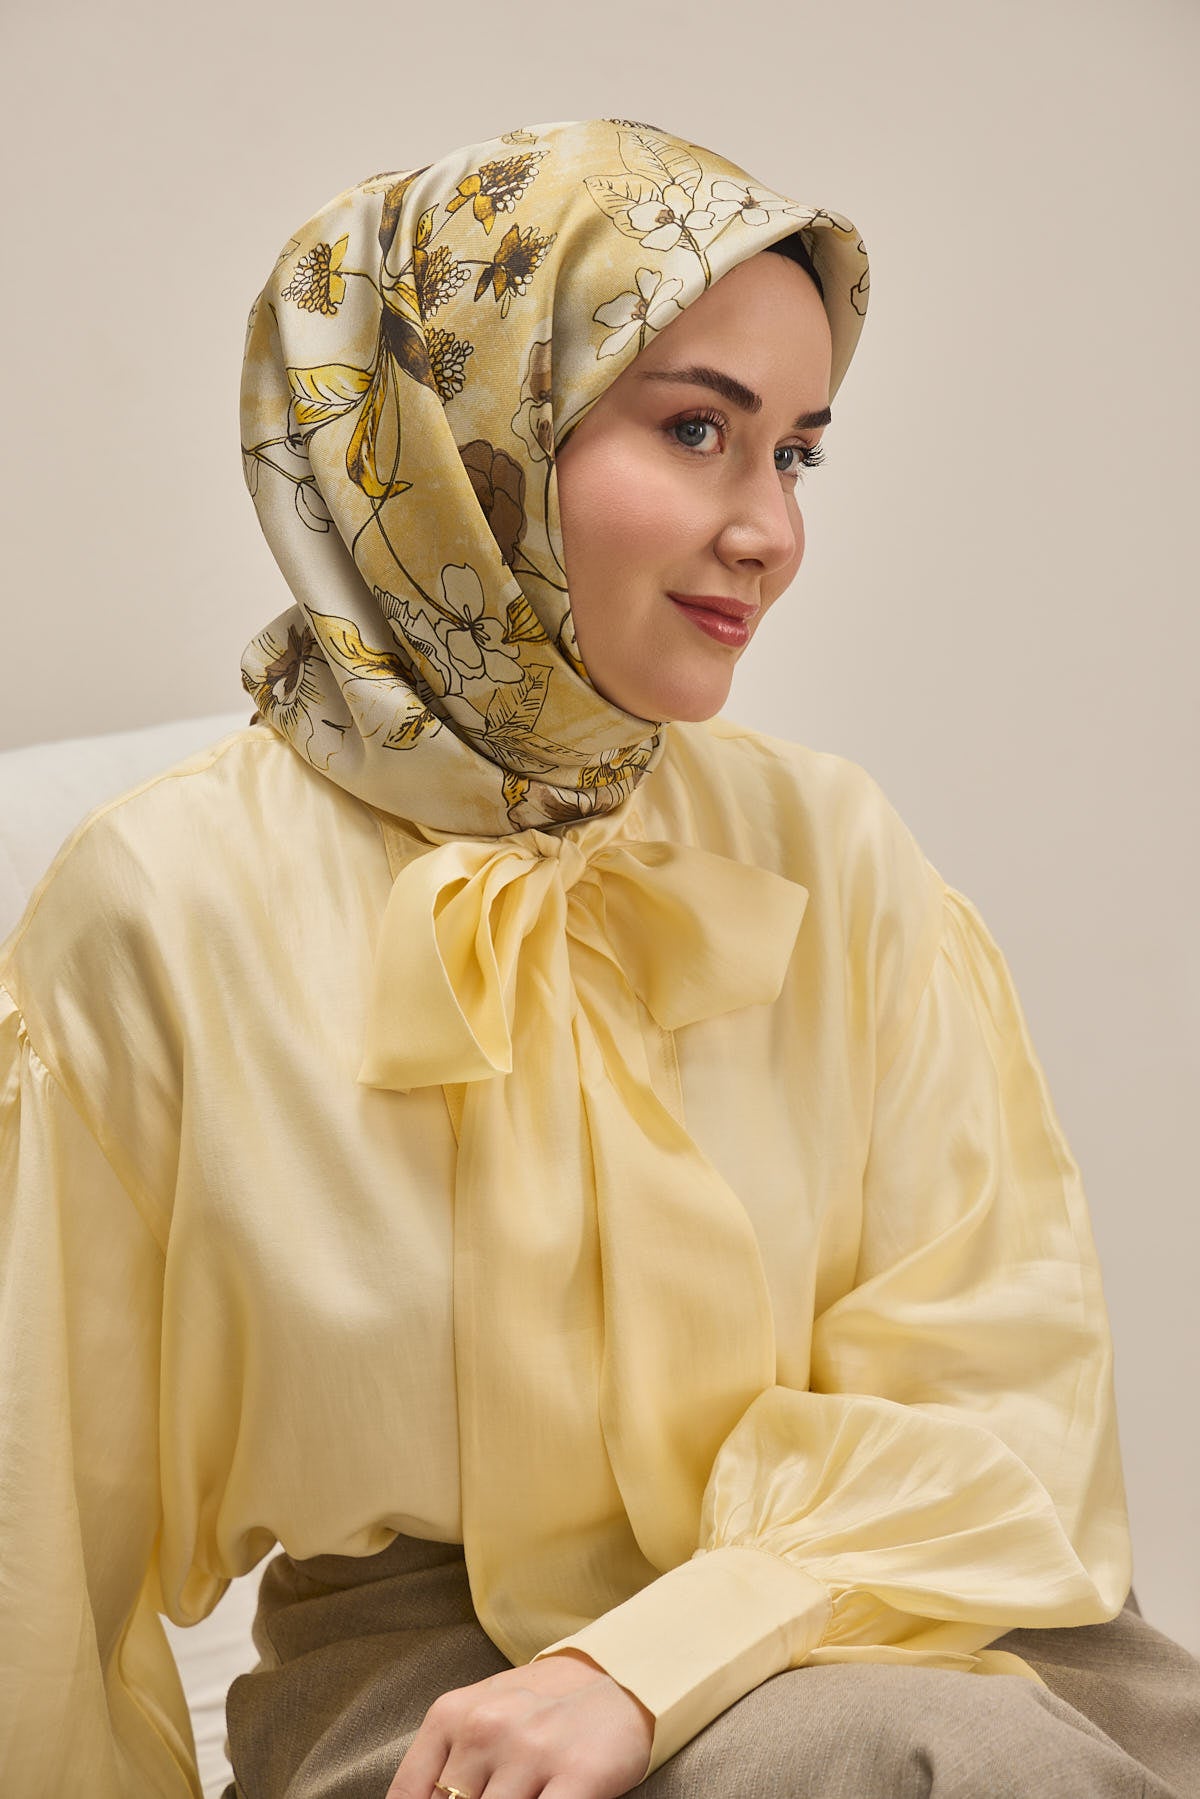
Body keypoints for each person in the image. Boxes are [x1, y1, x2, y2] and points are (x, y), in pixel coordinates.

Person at [1, 118, 1197, 1799]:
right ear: (459, 434)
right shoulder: (161, 905)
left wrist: (653, 1658)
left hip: (877, 1602)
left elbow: (998, 1400)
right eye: (698, 429)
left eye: (797, 454)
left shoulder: (831, 851)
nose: (769, 530)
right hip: (437, 1711)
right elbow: (39, 1561)